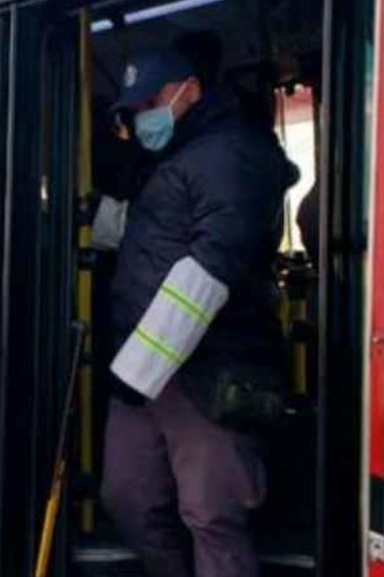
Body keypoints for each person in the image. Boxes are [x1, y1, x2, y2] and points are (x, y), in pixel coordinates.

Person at [99, 43, 298, 577]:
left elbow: (212, 266)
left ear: (189, 90)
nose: (142, 118)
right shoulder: (170, 159)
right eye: (135, 110)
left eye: (150, 103)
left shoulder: (232, 153)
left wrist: (139, 366)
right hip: (143, 372)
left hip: (209, 369)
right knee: (128, 499)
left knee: (212, 515)